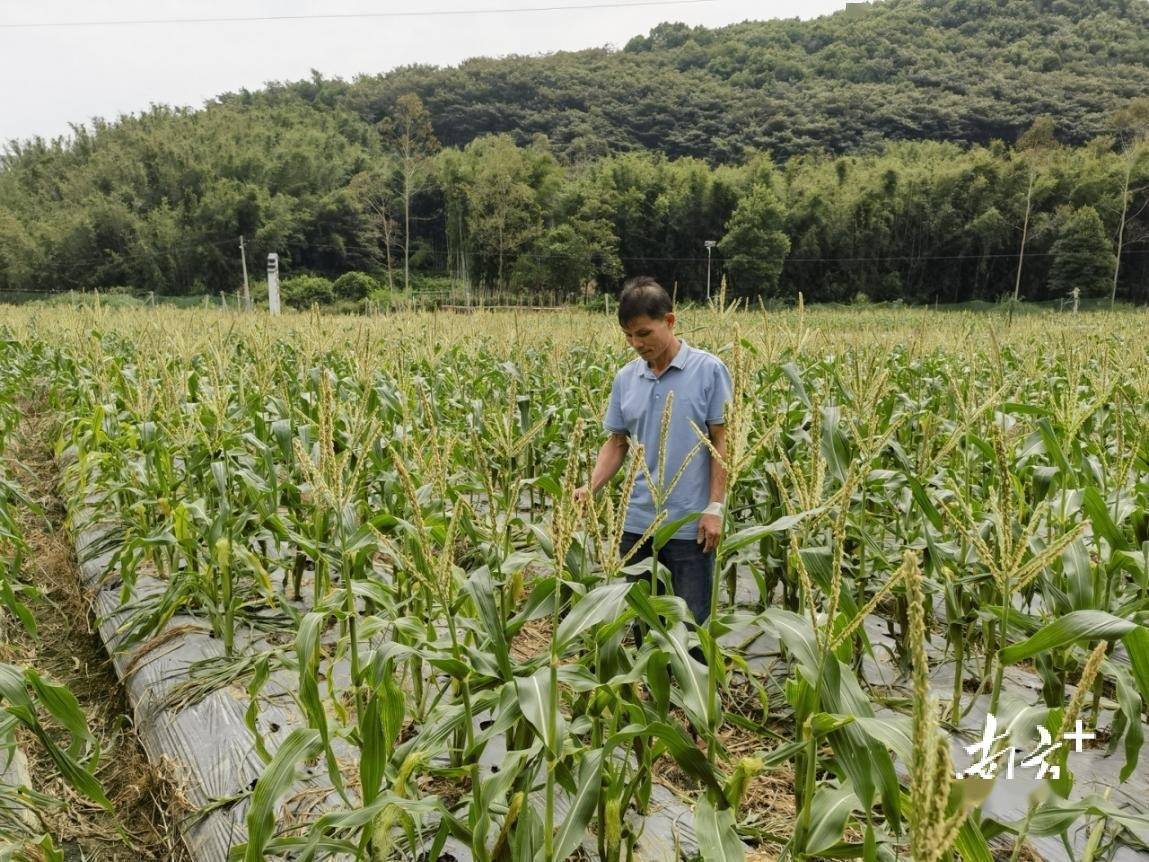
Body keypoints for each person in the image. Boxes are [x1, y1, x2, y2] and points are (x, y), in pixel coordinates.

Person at [574, 276, 732, 636]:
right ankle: (652, 691)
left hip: (690, 527)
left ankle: (690, 690)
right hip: (636, 525)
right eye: (629, 336)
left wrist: (714, 509)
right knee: (643, 626)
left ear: (670, 321)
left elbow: (721, 443)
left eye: (644, 333)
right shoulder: (626, 378)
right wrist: (591, 486)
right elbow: (617, 442)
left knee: (692, 628)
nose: (636, 344)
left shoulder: (709, 370)